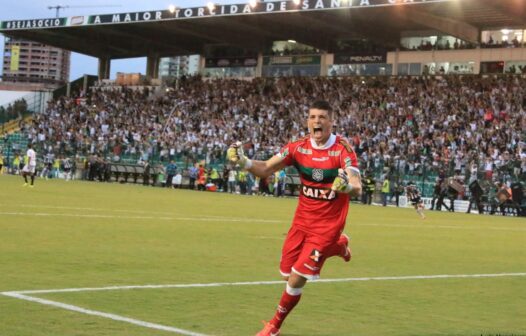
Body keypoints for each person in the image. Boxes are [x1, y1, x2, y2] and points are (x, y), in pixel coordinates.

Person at [226, 100, 362, 336]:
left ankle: (273, 327)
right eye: (312, 117)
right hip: (301, 222)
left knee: (297, 279)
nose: (316, 121)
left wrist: (345, 188)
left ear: (331, 121)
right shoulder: (297, 147)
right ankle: (338, 247)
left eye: (322, 117)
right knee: (287, 273)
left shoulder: (343, 149)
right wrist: (244, 162)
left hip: (327, 225)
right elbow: (266, 168)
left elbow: (356, 186)